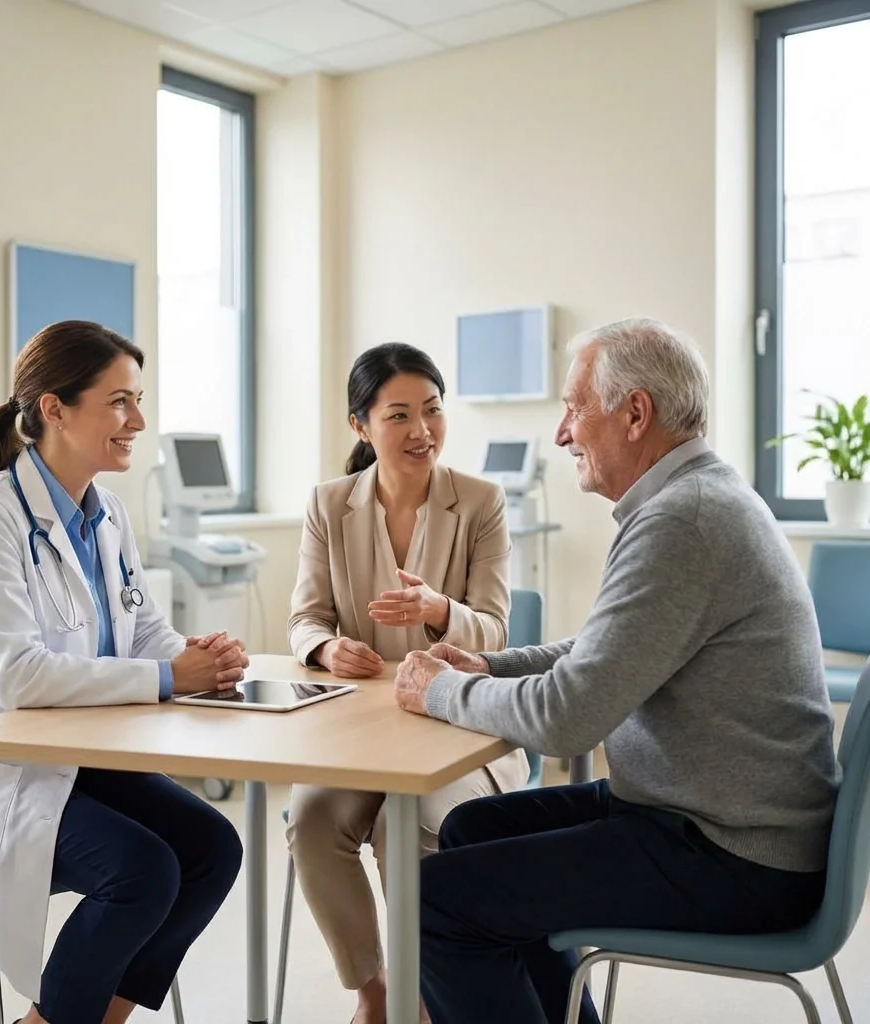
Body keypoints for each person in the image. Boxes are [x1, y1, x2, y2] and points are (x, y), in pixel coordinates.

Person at [392, 317, 840, 1024]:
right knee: (471, 831)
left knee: (432, 900)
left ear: (635, 414)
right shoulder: (692, 498)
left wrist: (442, 690)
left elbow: (567, 720)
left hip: (733, 854)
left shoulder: (682, 521)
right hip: (699, 816)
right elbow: (600, 649)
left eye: (574, 409)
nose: (563, 434)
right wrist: (488, 663)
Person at [0, 321, 248, 1024]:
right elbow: (17, 677)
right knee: (143, 873)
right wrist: (174, 676)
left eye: (137, 400)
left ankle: (86, 1019)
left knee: (213, 848)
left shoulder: (106, 513)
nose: (137, 420)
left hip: (75, 757)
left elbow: (141, 631)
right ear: (54, 408)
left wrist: (198, 657)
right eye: (118, 401)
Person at [287, 342, 527, 1024]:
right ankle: (376, 992)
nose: (422, 430)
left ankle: (427, 993)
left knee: (410, 818)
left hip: (461, 728)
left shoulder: (480, 501)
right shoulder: (328, 504)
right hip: (363, 734)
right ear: (360, 425)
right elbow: (304, 619)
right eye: (399, 415)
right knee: (310, 818)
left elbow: (497, 632)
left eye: (433, 410)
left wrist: (438, 612)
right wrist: (329, 648)